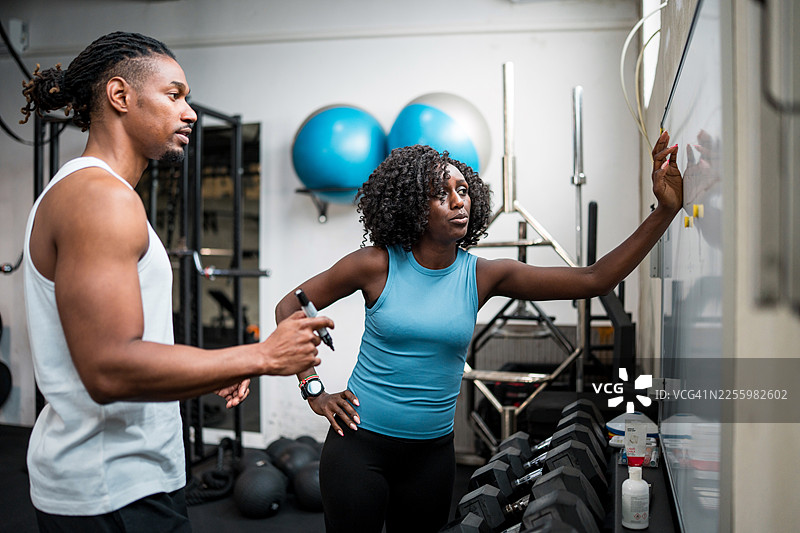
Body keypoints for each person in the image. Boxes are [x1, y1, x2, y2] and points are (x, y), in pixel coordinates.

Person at [275, 139, 682, 532]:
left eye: (464, 190)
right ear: (413, 207)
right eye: (442, 194)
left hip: (431, 456)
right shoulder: (374, 264)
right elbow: (289, 307)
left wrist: (664, 211)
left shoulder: (482, 275)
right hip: (358, 448)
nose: (459, 201)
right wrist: (314, 390)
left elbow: (595, 279)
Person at [20, 31, 333, 532]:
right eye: (174, 94)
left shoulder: (93, 192)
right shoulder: (100, 198)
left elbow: (130, 347)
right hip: (111, 490)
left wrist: (215, 366)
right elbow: (109, 369)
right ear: (120, 96)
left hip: (124, 480)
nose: (188, 112)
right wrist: (262, 356)